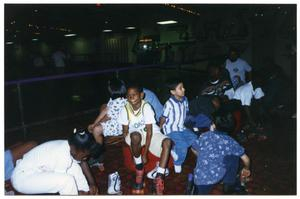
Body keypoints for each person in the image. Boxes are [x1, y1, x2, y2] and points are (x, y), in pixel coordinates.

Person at [118, 83, 171, 195]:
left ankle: (159, 177)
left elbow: (150, 131)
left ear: (141, 95)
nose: (131, 97)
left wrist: (145, 153)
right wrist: (134, 153)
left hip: (151, 132)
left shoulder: (146, 107)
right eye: (129, 95)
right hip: (135, 134)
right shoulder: (125, 109)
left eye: (134, 94)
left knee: (167, 142)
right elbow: (125, 132)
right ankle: (139, 170)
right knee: (135, 136)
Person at [11, 128, 99, 195]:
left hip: (34, 171)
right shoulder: (62, 155)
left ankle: (88, 192)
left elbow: (82, 162)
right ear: (74, 149)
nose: (86, 158)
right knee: (67, 181)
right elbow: (62, 183)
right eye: (85, 156)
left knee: (74, 167)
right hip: (22, 179)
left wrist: (92, 184)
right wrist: (79, 194)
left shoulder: (71, 146)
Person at [191, 112, 251, 195]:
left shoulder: (204, 136)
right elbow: (246, 159)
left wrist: (201, 155)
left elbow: (193, 148)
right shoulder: (231, 142)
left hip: (199, 179)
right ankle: (228, 185)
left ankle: (193, 190)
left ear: (213, 125)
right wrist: (247, 168)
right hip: (217, 176)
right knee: (234, 156)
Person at [87, 78, 127, 171]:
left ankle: (98, 155)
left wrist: (94, 125)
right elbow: (106, 109)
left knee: (96, 130)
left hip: (119, 126)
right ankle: (97, 146)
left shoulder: (118, 102)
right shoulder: (117, 98)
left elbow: (107, 117)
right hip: (116, 120)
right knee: (104, 107)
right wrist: (95, 123)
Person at [160, 78, 197, 173]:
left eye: (183, 87)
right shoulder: (169, 104)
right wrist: (159, 130)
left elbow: (186, 113)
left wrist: (192, 124)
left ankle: (174, 149)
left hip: (181, 127)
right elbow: (163, 118)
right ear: (173, 92)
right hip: (171, 129)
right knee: (183, 145)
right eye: (180, 88)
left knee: (194, 138)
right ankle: (178, 162)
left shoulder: (185, 100)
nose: (184, 89)